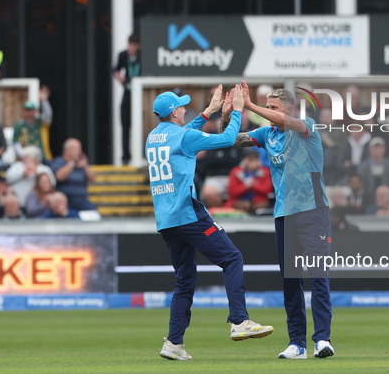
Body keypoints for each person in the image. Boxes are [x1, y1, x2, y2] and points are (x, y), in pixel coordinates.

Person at [146, 85, 273, 361]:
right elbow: (227, 139)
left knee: (185, 280)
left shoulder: (153, 137)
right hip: (188, 212)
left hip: (166, 219)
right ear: (176, 112)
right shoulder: (184, 136)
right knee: (232, 258)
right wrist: (236, 111)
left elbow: (182, 134)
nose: (185, 109)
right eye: (182, 106)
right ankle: (239, 321)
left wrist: (209, 112)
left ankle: (174, 343)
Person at [224, 81, 334, 359]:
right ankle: (297, 343)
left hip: (313, 212)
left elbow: (287, 122)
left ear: (288, 109)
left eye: (273, 108)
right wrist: (227, 115)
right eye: (267, 107)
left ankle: (322, 339)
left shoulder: (306, 125)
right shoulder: (266, 134)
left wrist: (249, 105)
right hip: (284, 215)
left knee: (318, 276)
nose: (269, 113)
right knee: (290, 282)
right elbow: (231, 138)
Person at [114, 33, 141, 165]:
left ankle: (141, 153)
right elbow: (116, 70)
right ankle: (126, 156)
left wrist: (128, 80)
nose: (131, 47)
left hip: (140, 94)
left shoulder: (143, 56)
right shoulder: (123, 55)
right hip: (128, 92)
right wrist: (121, 79)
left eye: (133, 45)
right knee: (125, 125)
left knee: (140, 124)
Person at [51, 138, 96, 211]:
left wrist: (85, 167)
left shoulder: (81, 164)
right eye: (77, 149)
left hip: (82, 201)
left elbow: (93, 179)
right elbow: (59, 176)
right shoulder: (58, 162)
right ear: (68, 150)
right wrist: (71, 164)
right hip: (66, 202)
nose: (80, 152)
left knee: (94, 215)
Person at [13, 86, 54, 162]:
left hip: (43, 158)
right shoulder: (19, 125)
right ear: (24, 112)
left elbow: (48, 116)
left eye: (32, 110)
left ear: (35, 111)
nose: (29, 113)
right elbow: (16, 144)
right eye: (27, 110)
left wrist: (44, 101)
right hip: (25, 160)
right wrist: (24, 156)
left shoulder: (41, 123)